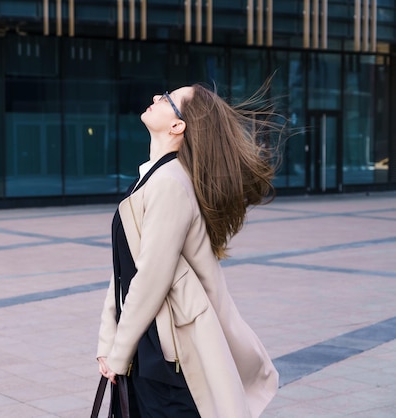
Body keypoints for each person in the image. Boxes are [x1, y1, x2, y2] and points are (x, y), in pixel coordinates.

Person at [96, 84, 280, 417]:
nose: (155, 97)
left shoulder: (169, 183)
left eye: (166, 99)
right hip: (150, 344)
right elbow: (125, 270)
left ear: (178, 125)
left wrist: (118, 352)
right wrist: (109, 342)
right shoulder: (152, 178)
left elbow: (152, 277)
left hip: (167, 353)